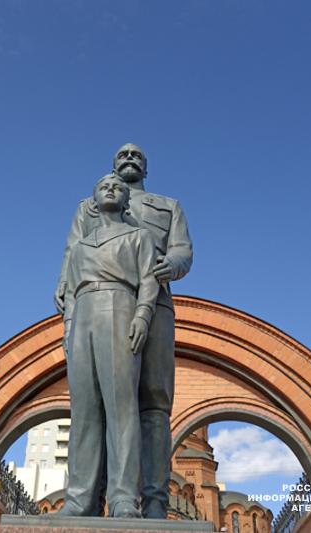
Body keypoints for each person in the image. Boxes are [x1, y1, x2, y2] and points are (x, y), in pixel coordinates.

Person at [55, 143, 193, 519]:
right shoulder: (90, 205)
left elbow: (183, 250)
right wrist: (66, 288)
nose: (129, 159)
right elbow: (73, 250)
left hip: (154, 303)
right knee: (95, 399)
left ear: (146, 168)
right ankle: (90, 500)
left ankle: (153, 501)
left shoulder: (168, 206)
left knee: (152, 400)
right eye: (122, 156)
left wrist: (170, 265)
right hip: (95, 304)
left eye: (136, 157)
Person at [58, 173, 159, 518]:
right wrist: (69, 328)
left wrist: (143, 315)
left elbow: (149, 280)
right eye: (104, 187)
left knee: (121, 406)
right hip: (83, 314)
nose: (111, 189)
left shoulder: (138, 236)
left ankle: (122, 498)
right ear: (94, 200)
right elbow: (71, 293)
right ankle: (79, 499)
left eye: (117, 187)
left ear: (126, 199)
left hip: (120, 305)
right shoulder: (81, 246)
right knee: (84, 410)